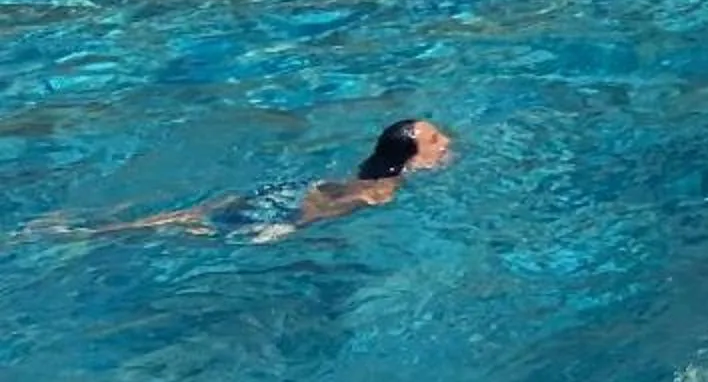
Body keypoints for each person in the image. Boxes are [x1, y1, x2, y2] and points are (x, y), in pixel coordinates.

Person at [48, 120, 456, 245]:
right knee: (189, 227)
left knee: (188, 215)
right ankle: (86, 234)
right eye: (436, 140)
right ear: (411, 157)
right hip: (296, 206)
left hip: (297, 188)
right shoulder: (382, 189)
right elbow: (338, 205)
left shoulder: (366, 172)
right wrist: (291, 227)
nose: (446, 141)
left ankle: (85, 227)